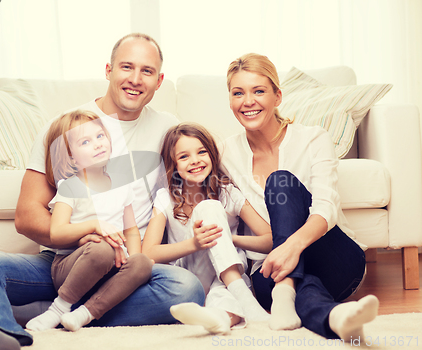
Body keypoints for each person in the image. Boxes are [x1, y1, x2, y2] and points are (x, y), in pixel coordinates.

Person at [0, 33, 205, 350]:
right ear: (108, 70)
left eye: (146, 71)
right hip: (69, 259)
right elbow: (28, 214)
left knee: (186, 289)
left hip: (128, 268)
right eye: (126, 67)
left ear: (159, 81)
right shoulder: (66, 128)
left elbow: (190, 182)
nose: (135, 79)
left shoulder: (168, 127)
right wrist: (83, 236)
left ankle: (53, 313)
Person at [218, 52, 379, 341]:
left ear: (277, 96)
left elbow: (326, 208)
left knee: (280, 183)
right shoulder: (225, 154)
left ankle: (286, 288)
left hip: (334, 259)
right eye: (238, 93)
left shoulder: (313, 138)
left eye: (259, 91)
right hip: (269, 271)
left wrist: (292, 246)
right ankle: (336, 318)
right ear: (230, 101)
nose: (248, 101)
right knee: (301, 291)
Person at [25, 110, 153, 332]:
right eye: (85, 141)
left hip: (112, 265)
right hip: (72, 268)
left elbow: (131, 229)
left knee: (142, 263)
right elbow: (57, 233)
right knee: (101, 248)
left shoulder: (122, 184)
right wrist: (94, 225)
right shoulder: (70, 186)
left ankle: (84, 314)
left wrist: (132, 257)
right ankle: (58, 309)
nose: (97, 144)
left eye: (100, 136)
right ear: (70, 156)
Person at [142, 123, 273, 335]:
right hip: (190, 277)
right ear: (173, 164)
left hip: (225, 282)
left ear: (211, 154)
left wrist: (229, 239)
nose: (195, 160)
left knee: (225, 300)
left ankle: (219, 318)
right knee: (209, 207)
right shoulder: (165, 198)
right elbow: (148, 252)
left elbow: (269, 239)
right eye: (184, 156)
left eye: (201, 152)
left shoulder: (228, 192)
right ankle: (245, 299)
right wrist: (194, 243)